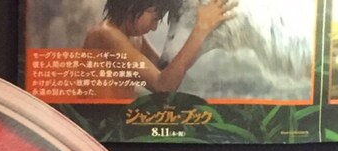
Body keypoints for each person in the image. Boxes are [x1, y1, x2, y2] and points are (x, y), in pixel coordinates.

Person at [83, 0, 237, 100]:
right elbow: (162, 86)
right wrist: (201, 28)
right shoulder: (106, 35)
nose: (154, 27)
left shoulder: (133, 37)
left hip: (115, 119)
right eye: (155, 19)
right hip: (97, 125)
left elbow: (164, 70)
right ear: (132, 6)